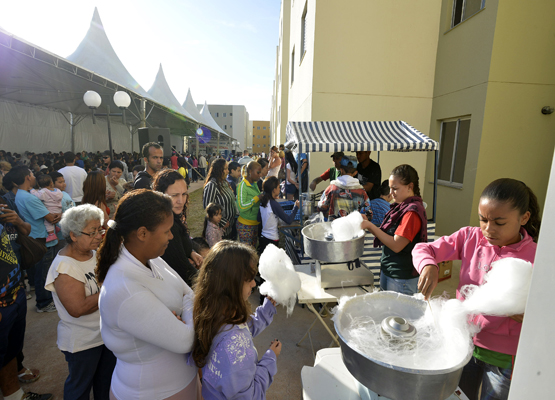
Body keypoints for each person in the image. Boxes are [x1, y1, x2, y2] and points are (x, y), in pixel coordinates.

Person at [414, 178, 541, 400]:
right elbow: (423, 249)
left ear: (524, 217)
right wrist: (428, 265)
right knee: (457, 396)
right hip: (463, 344)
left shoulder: (536, 257)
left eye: (499, 223)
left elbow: (544, 307)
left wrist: (529, 313)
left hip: (503, 357)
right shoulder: (470, 238)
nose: (488, 229)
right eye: (483, 219)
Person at [96, 190, 199, 400]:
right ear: (142, 234)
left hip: (179, 383)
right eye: (167, 231)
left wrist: (183, 311)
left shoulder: (151, 259)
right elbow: (186, 340)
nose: (171, 236)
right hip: (152, 392)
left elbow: (189, 293)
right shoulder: (125, 290)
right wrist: (186, 308)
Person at [191, 240, 281, 399]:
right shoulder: (236, 349)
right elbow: (251, 396)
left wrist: (267, 309)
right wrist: (270, 358)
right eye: (249, 279)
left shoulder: (213, 313)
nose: (254, 283)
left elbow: (244, 327)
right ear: (231, 285)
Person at [44, 205, 116, 400]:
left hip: (104, 335)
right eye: (92, 232)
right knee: (79, 389)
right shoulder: (65, 267)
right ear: (73, 235)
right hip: (83, 342)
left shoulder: (93, 253)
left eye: (100, 230)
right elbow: (77, 308)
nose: (99, 236)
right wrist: (110, 287)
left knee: (106, 383)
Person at [0, 215, 53, 400]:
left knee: (10, 350)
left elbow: (24, 231)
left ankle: (14, 395)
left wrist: (18, 222)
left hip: (14, 292)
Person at [360, 164, 427, 295]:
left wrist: (370, 226)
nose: (391, 193)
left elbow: (397, 245)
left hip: (401, 278)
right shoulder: (401, 207)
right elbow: (388, 236)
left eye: (395, 189)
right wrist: (368, 223)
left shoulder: (412, 213)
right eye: (390, 188)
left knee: (397, 309)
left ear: (410, 187)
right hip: (390, 271)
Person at [13, 167, 60, 312]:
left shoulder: (21, 194)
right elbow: (50, 218)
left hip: (34, 236)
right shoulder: (29, 198)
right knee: (44, 272)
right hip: (41, 238)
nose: (34, 176)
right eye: (32, 174)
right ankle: (44, 302)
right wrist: (57, 215)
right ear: (27, 177)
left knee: (40, 271)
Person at [153, 170, 203, 287]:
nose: (181, 201)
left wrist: (191, 252)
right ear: (160, 195)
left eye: (184, 194)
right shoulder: (167, 225)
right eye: (174, 195)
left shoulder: (172, 216)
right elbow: (184, 270)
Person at [258, 176, 299, 254]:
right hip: (272, 239)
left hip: (263, 238)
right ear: (274, 190)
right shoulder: (273, 204)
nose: (280, 189)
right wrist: (296, 207)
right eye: (278, 187)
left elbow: (259, 219)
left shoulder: (262, 202)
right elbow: (288, 220)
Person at [202, 159, 239, 240]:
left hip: (230, 227)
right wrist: (222, 222)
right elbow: (207, 207)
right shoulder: (212, 185)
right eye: (225, 169)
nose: (228, 171)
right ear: (218, 170)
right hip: (219, 230)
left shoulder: (224, 182)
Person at [236, 161, 262, 248]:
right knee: (247, 252)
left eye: (260, 172)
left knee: (253, 249)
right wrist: (256, 198)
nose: (260, 175)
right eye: (258, 172)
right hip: (246, 225)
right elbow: (241, 206)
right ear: (250, 171)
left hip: (254, 223)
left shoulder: (254, 184)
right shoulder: (242, 186)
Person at [30, 174, 63, 243]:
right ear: (51, 182)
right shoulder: (58, 191)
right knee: (54, 221)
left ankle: (51, 234)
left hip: (50, 210)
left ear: (38, 185)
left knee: (47, 222)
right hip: (58, 209)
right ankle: (56, 228)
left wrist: (32, 190)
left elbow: (37, 195)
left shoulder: (43, 192)